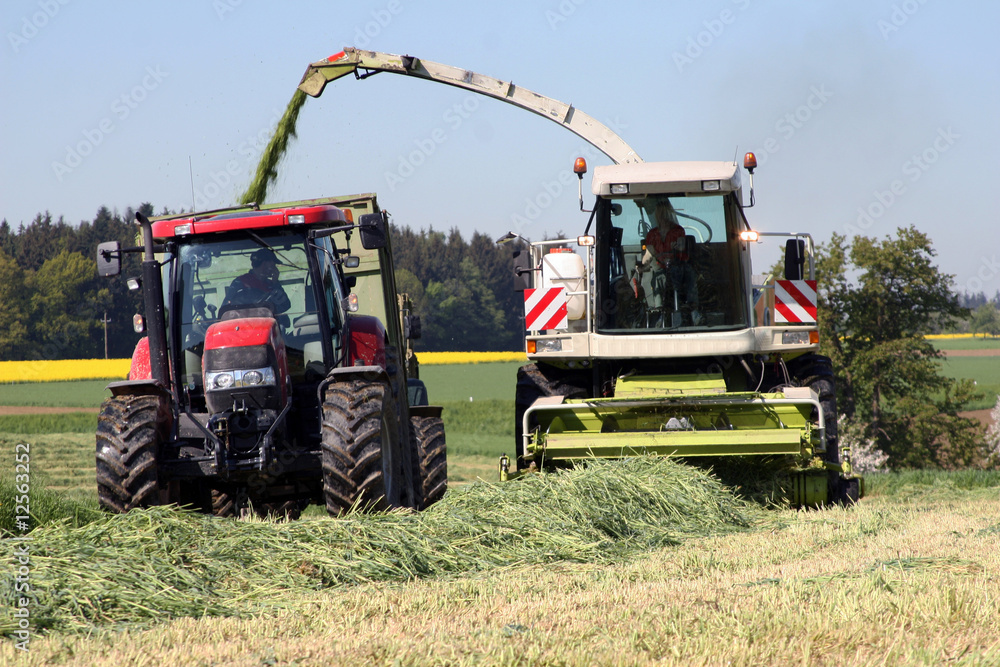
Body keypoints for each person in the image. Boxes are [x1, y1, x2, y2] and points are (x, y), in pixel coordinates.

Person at [639, 199, 700, 325]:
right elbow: (649, 255)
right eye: (659, 213)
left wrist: (677, 246)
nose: (661, 216)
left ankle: (693, 311)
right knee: (656, 275)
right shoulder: (652, 234)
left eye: (663, 213)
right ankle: (659, 311)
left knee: (684, 273)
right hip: (661, 267)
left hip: (678, 264)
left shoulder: (678, 231)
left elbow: (682, 246)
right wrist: (641, 265)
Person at [224, 248, 291, 314]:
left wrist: (276, 283)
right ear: (265, 264)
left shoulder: (272, 284)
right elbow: (226, 309)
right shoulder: (241, 282)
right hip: (246, 323)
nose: (275, 268)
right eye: (273, 264)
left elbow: (285, 305)